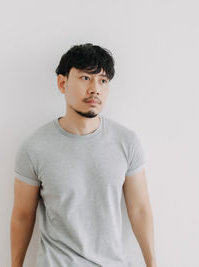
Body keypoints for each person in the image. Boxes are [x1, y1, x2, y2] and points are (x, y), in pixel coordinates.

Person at [10, 43, 157, 267]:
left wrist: (152, 264)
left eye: (103, 80)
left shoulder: (127, 142)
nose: (95, 88)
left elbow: (139, 210)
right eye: (86, 78)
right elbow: (22, 215)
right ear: (62, 83)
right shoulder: (35, 147)